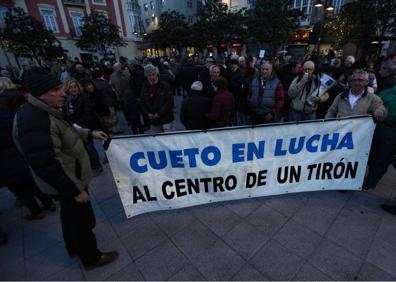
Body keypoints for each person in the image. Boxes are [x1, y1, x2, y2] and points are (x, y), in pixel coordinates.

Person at [13, 68, 119, 270]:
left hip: (69, 180)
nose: (63, 93)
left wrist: (89, 133)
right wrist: (75, 190)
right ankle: (91, 257)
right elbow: (46, 164)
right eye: (55, 89)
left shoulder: (46, 110)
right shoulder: (35, 120)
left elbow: (67, 131)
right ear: (40, 93)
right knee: (82, 221)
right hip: (69, 183)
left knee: (69, 216)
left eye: (61, 87)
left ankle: (73, 247)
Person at [0, 77, 56, 220]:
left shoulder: (6, 103)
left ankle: (36, 210)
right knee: (29, 177)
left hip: (10, 151)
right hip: (20, 146)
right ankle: (47, 202)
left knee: (20, 184)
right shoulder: (20, 96)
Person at [63, 78, 104, 176]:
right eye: (71, 87)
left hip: (84, 127)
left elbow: (88, 113)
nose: (73, 89)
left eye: (75, 87)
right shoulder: (67, 100)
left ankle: (96, 166)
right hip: (74, 128)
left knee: (89, 148)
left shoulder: (83, 97)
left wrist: (79, 125)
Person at [363, 85, 396, 190]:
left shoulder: (387, 91)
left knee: (376, 157)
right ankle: (369, 182)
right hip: (384, 130)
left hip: (381, 129)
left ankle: (369, 181)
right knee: (380, 159)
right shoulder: (388, 91)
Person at [140, 65, 174, 133]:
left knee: (168, 138)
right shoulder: (144, 87)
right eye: (149, 75)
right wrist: (147, 114)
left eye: (153, 74)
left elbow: (169, 102)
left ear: (157, 75)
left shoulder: (165, 85)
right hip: (153, 120)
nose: (152, 77)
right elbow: (142, 102)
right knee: (157, 139)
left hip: (165, 118)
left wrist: (159, 114)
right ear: (146, 76)